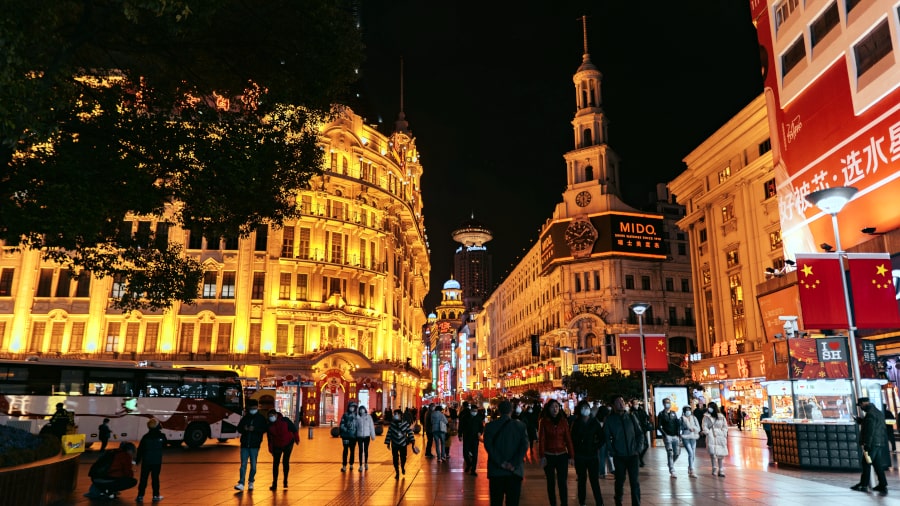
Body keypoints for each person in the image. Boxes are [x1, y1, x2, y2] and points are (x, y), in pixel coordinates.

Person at [483, 400, 529, 506]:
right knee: (513, 502)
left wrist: (501, 462)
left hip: (496, 471)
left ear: (498, 411)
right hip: (514, 472)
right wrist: (513, 463)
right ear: (511, 411)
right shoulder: (520, 426)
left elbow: (489, 446)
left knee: (496, 501)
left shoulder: (490, 426)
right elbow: (524, 446)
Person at [604, 396, 644, 506]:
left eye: (622, 401)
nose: (621, 404)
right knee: (620, 481)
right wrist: (612, 451)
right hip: (619, 456)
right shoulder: (610, 420)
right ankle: (618, 501)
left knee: (634, 482)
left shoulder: (631, 417)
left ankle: (636, 503)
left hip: (633, 455)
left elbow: (640, 434)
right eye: (617, 402)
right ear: (613, 406)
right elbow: (607, 437)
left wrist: (638, 449)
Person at [537, 399, 574, 506]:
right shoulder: (543, 421)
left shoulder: (563, 421)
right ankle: (553, 503)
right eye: (553, 407)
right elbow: (542, 440)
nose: (555, 409)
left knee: (562, 482)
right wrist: (542, 456)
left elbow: (568, 439)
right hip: (549, 456)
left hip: (562, 455)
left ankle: (564, 503)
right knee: (551, 482)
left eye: (557, 407)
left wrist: (571, 455)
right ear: (548, 408)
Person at [570, 400, 604, 506]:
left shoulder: (594, 422)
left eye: (587, 407)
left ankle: (599, 502)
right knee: (581, 480)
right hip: (580, 456)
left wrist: (596, 446)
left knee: (594, 480)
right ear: (580, 410)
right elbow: (572, 439)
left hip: (592, 456)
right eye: (583, 407)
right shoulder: (576, 423)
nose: (585, 409)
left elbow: (602, 437)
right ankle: (582, 502)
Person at [851, 397, 889, 492]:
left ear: (864, 403)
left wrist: (867, 444)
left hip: (872, 443)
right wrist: (862, 421)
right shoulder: (877, 412)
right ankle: (882, 484)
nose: (860, 407)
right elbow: (875, 426)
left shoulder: (870, 414)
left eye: (860, 405)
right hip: (878, 442)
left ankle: (863, 485)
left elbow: (870, 431)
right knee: (877, 464)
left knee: (866, 463)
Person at [235, 399, 268, 491]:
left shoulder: (261, 418)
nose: (252, 409)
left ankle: (251, 481)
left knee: (253, 465)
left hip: (254, 445)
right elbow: (239, 428)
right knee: (243, 465)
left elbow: (264, 429)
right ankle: (241, 483)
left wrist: (255, 429)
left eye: (254, 408)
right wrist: (244, 428)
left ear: (257, 407)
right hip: (245, 445)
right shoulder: (245, 418)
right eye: (251, 408)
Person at [135, 418, 167, 502]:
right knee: (155, 478)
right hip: (156, 461)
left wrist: (137, 461)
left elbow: (140, 450)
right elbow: (165, 446)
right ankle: (155, 496)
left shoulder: (145, 437)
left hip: (146, 461)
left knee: (143, 479)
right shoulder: (161, 436)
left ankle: (140, 496)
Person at [266, 410, 298, 490]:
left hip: (288, 443)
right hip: (277, 445)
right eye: (269, 416)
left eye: (272, 415)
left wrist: (296, 438)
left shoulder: (285, 420)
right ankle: (274, 483)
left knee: (285, 461)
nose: (271, 417)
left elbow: (293, 429)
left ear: (276, 415)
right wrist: (270, 448)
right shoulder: (269, 425)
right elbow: (269, 438)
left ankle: (285, 481)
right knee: (275, 463)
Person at [385, 408, 416, 479]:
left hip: (403, 444)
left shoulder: (405, 424)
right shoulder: (392, 425)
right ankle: (397, 472)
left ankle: (402, 466)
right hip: (394, 444)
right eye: (394, 414)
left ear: (401, 415)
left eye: (397, 414)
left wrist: (412, 440)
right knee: (395, 459)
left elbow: (409, 432)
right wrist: (387, 443)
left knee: (403, 457)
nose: (395, 415)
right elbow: (389, 434)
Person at [702, 401, 729, 477]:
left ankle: (721, 470)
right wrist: (708, 432)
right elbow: (704, 425)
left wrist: (724, 433)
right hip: (711, 435)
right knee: (713, 453)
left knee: (721, 454)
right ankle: (714, 468)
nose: (709, 408)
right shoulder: (706, 416)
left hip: (720, 436)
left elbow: (725, 426)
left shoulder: (721, 416)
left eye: (710, 407)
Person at [657, 398, 681, 479]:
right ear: (663, 404)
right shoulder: (661, 414)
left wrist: (678, 434)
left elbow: (677, 424)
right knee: (670, 453)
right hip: (667, 436)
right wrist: (665, 434)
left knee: (677, 453)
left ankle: (670, 463)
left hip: (675, 436)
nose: (668, 404)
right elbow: (659, 426)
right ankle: (672, 470)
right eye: (666, 403)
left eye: (669, 402)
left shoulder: (673, 413)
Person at [458, 402, 485, 476]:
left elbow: (481, 427)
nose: (475, 412)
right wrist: (460, 434)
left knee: (475, 454)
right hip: (467, 437)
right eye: (474, 411)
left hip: (475, 438)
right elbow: (461, 426)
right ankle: (469, 464)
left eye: (476, 411)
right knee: (465, 453)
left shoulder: (479, 417)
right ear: (471, 410)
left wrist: (480, 432)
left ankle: (473, 469)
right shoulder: (465, 417)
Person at [679, 406, 701, 478]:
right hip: (685, 436)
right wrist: (680, 434)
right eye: (686, 410)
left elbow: (698, 427)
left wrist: (694, 429)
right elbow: (679, 428)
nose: (688, 411)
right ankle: (692, 469)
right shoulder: (681, 419)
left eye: (689, 410)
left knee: (693, 453)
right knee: (690, 452)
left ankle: (690, 467)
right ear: (684, 411)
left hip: (693, 435)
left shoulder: (694, 418)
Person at [339, 401, 360, 472]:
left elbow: (358, 426)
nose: (352, 408)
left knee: (352, 451)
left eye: (353, 407)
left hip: (354, 437)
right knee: (345, 450)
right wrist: (346, 430)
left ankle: (351, 464)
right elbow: (341, 425)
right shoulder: (345, 415)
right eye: (351, 407)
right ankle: (344, 465)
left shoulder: (357, 416)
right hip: (346, 436)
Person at [629, 400, 650, 467]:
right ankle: (638, 459)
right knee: (639, 445)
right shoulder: (631, 413)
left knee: (646, 445)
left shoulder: (642, 411)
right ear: (632, 404)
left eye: (637, 403)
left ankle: (640, 457)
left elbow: (647, 417)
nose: (636, 405)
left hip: (643, 430)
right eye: (635, 404)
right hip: (636, 432)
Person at [356, 405, 376, 471]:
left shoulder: (369, 417)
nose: (362, 410)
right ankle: (360, 465)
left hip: (367, 436)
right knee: (360, 450)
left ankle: (366, 463)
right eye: (360, 409)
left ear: (365, 410)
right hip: (359, 436)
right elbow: (355, 427)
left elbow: (371, 427)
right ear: (359, 411)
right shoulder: (357, 418)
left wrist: (373, 435)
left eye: (363, 409)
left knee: (366, 450)